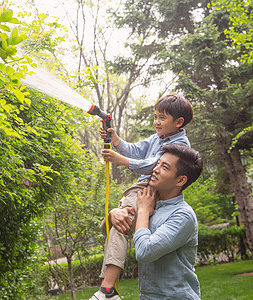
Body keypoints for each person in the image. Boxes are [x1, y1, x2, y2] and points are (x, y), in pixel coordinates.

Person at [90, 93, 193, 300]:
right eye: (155, 116)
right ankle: (108, 288)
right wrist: (117, 140)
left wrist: (121, 160)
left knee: (120, 221)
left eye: (162, 118)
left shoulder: (179, 145)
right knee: (114, 222)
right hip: (141, 186)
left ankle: (108, 289)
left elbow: (153, 164)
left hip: (149, 188)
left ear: (178, 122)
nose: (156, 122)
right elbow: (136, 149)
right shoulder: (157, 138)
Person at [132, 143, 203, 299]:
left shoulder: (183, 215)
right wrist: (113, 215)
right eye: (158, 163)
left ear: (180, 180)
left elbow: (144, 252)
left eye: (164, 167)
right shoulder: (151, 203)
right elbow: (111, 230)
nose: (155, 169)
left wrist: (142, 211)